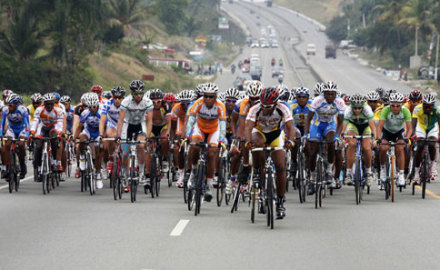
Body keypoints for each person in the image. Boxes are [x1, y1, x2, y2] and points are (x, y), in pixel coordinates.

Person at [245, 87, 295, 219]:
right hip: (259, 133)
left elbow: (290, 126)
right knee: (256, 144)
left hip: (275, 135)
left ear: (276, 103)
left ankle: (280, 201)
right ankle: (257, 171)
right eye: (263, 106)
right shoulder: (255, 109)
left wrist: (290, 141)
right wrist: (248, 142)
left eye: (269, 106)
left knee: (280, 166)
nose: (265, 109)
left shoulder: (282, 108)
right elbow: (248, 127)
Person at [183, 83, 226, 202]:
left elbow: (222, 124)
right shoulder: (198, 103)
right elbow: (191, 120)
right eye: (205, 96)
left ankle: (208, 185)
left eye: (211, 96)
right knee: (194, 145)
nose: (208, 99)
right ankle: (194, 171)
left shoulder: (221, 106)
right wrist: (187, 135)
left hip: (214, 130)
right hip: (200, 128)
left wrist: (221, 140)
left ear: (215, 97)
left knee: (212, 154)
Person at [304, 81, 346, 193]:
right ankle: (312, 178)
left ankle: (328, 171)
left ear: (336, 94)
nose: (330, 96)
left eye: (332, 94)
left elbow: (341, 122)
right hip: (317, 125)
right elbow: (308, 119)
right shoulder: (317, 101)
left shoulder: (340, 102)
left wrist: (337, 136)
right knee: (312, 151)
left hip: (330, 125)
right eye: (328, 94)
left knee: (331, 143)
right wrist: (305, 134)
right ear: (324, 93)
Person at [116, 80, 153, 190]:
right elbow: (121, 120)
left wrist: (148, 137)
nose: (138, 96)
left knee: (141, 146)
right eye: (136, 93)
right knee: (125, 153)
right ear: (132, 93)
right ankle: (125, 176)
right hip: (127, 125)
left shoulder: (147, 102)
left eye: (141, 93)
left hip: (140, 125)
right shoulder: (126, 101)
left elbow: (149, 121)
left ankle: (141, 172)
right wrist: (118, 136)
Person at [377, 92, 411, 187]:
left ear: (401, 105)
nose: (395, 108)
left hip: (399, 132)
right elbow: (379, 127)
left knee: (400, 148)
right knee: (383, 148)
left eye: (397, 106)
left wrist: (407, 138)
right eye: (393, 106)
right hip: (387, 132)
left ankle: (401, 174)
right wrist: (379, 138)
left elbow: (409, 128)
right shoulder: (385, 110)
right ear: (390, 104)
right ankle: (383, 169)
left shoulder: (405, 111)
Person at [342, 94, 376, 186]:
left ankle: (369, 173)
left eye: (359, 108)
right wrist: (342, 135)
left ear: (362, 107)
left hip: (365, 127)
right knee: (352, 144)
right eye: (355, 108)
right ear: (352, 106)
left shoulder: (367, 109)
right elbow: (344, 124)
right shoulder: (348, 110)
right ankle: (348, 174)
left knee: (366, 148)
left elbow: (372, 124)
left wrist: (374, 137)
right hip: (353, 126)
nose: (357, 110)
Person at [31, 93, 64, 180]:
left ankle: (54, 162)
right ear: (43, 104)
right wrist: (32, 132)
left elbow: (60, 124)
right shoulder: (39, 109)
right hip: (43, 127)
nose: (49, 106)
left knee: (54, 139)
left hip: (54, 127)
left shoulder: (58, 110)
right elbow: (35, 122)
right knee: (38, 146)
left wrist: (59, 133)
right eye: (47, 104)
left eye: (51, 104)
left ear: (54, 103)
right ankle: (38, 167)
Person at [74, 93, 104, 189]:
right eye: (90, 107)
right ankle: (82, 156)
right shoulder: (85, 113)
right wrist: (74, 138)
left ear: (98, 105)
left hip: (98, 133)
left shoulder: (102, 112)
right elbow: (80, 127)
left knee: (98, 152)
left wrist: (103, 137)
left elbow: (105, 126)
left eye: (94, 107)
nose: (92, 109)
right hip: (88, 131)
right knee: (82, 139)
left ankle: (98, 175)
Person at [411, 94, 440, 183]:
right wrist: (413, 134)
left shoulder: (437, 109)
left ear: (433, 105)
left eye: (430, 106)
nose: (427, 108)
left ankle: (432, 167)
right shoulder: (417, 109)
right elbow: (414, 123)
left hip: (432, 128)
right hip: (421, 127)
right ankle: (416, 174)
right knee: (420, 146)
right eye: (425, 106)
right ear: (422, 104)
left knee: (432, 144)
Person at [0, 94, 30, 179]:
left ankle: (22, 164)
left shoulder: (22, 109)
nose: (8, 107)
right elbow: (2, 124)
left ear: (16, 104)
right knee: (7, 145)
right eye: (7, 104)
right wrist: (1, 134)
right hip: (11, 129)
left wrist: (26, 136)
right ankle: (6, 168)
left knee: (21, 145)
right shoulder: (5, 109)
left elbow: (27, 124)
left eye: (11, 105)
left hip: (22, 129)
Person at [100, 86, 125, 180]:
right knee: (111, 136)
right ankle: (111, 158)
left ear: (123, 97)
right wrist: (101, 134)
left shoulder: (127, 104)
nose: (117, 100)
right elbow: (102, 120)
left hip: (124, 124)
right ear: (112, 97)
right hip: (113, 124)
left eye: (120, 98)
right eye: (115, 97)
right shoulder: (107, 103)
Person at [170, 90, 194, 188]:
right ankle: (181, 174)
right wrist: (173, 139)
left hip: (192, 124)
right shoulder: (176, 109)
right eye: (183, 103)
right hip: (181, 123)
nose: (185, 105)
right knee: (181, 147)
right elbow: (173, 127)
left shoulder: (195, 107)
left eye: (188, 103)